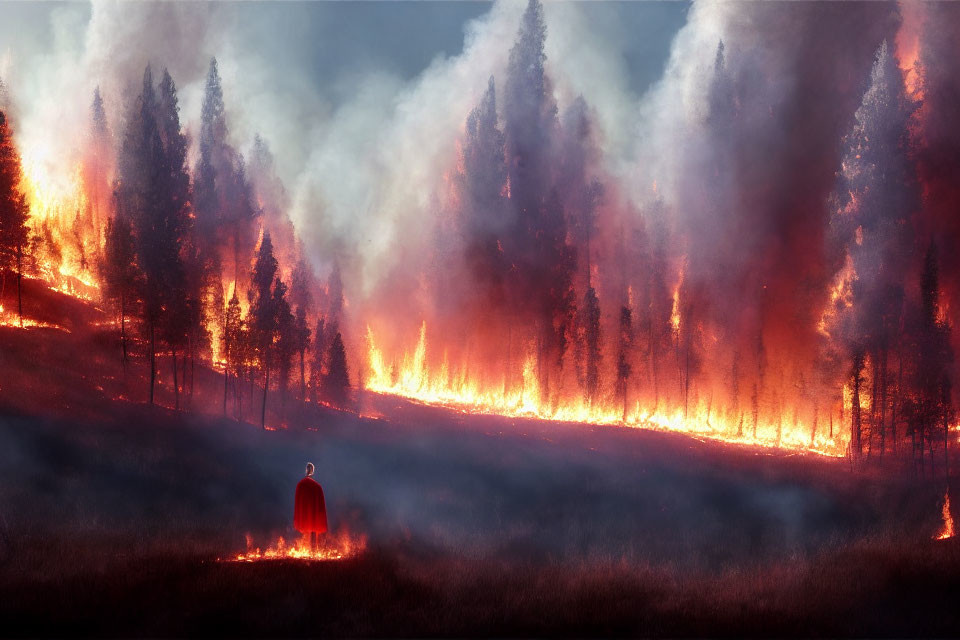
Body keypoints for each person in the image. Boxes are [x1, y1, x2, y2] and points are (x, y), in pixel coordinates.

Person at [294, 462, 328, 551]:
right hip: (313, 515)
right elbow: (320, 506)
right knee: (313, 529)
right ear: (313, 471)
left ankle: (306, 550)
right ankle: (312, 550)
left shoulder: (300, 484)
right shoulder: (317, 486)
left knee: (305, 529)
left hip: (303, 515)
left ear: (306, 470)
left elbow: (298, 503)